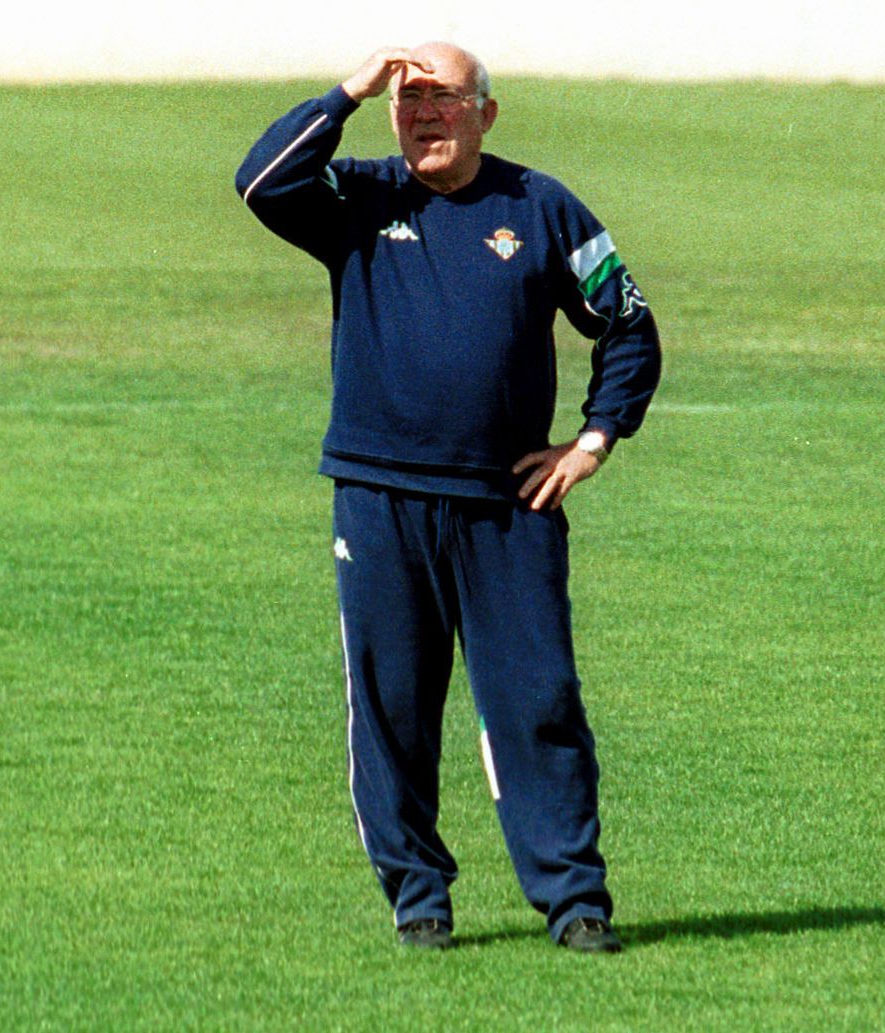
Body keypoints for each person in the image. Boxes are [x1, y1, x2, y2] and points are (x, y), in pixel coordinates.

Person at [235, 42, 660, 953]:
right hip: (379, 496)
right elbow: (261, 180)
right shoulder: (356, 199)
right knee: (391, 705)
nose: (422, 114)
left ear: (486, 113)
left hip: (510, 507)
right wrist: (349, 89)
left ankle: (575, 900)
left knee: (537, 700)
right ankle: (419, 897)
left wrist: (594, 438)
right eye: (407, 99)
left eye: (442, 99)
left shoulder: (542, 208)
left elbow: (626, 321)